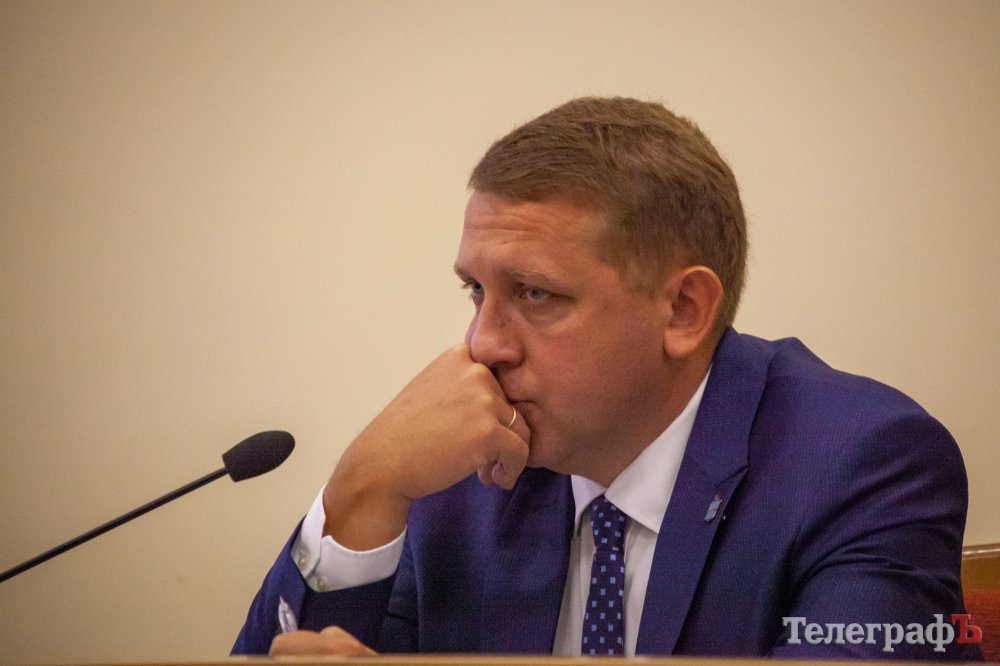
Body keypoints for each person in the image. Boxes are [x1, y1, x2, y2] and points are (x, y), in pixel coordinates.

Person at [232, 97, 979, 660]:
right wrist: (361, 486)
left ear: (684, 310)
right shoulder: (460, 464)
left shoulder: (865, 466)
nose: (481, 345)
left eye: (535, 294)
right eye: (476, 291)